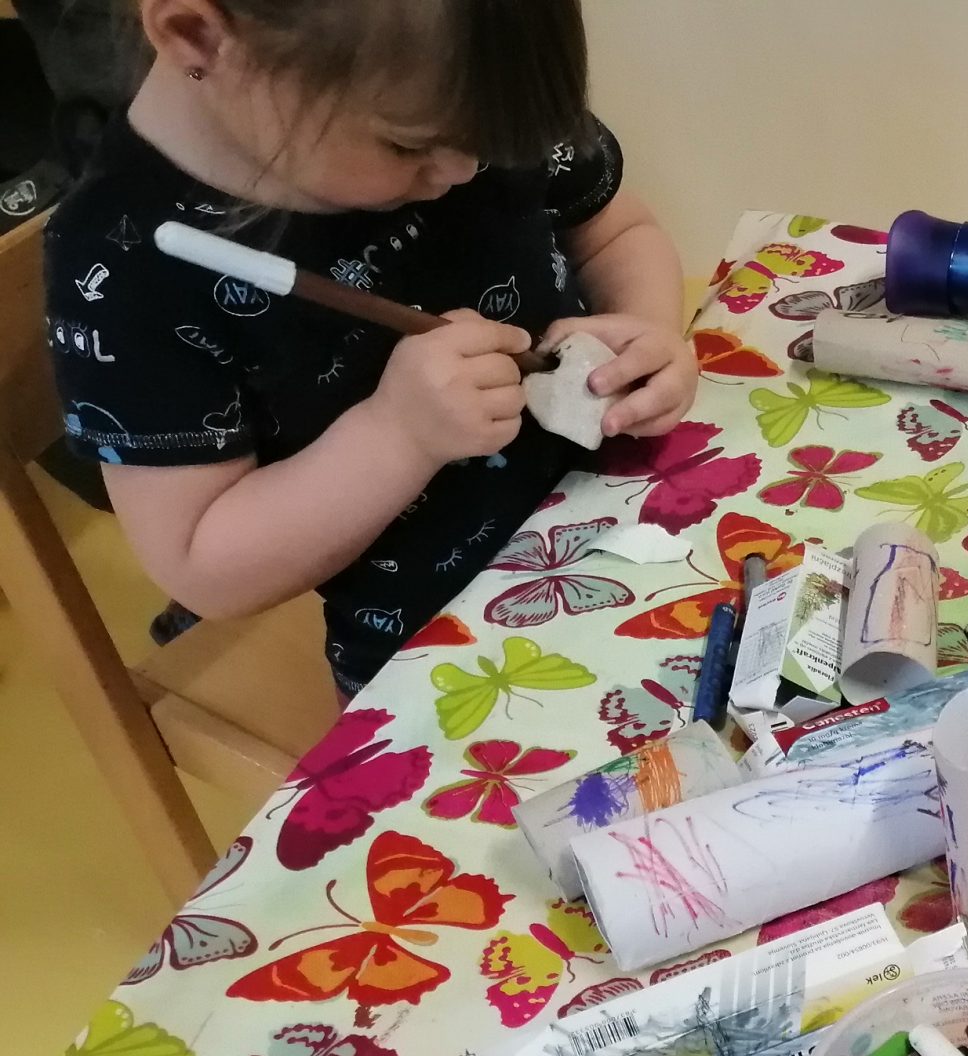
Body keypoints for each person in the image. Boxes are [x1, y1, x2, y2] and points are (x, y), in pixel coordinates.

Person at [40, 0, 696, 695]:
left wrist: (646, 332)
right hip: (452, 662)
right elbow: (200, 564)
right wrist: (399, 435)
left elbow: (614, 231)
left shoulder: (467, 90)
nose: (465, 169)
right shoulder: (125, 264)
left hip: (638, 520)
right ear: (197, 34)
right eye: (408, 147)